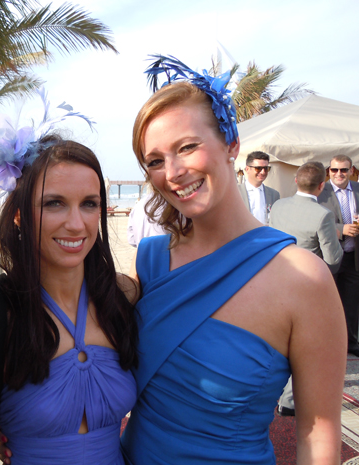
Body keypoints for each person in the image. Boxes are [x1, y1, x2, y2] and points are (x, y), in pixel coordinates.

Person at [120, 55, 346, 464]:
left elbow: (319, 433)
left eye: (187, 147)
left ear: (231, 144)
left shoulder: (303, 279)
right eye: (155, 160)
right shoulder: (149, 263)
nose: (171, 172)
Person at [0, 94, 139, 464]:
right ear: (18, 215)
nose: (76, 223)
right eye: (54, 203)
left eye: (89, 203)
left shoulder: (124, 298)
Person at [269, 161, 343, 416]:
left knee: (277, 341)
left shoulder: (278, 205)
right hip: (304, 288)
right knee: (301, 346)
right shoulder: (323, 215)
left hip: (273, 280)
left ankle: (273, 393)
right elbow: (333, 259)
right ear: (322, 185)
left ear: (296, 182)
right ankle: (289, 402)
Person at [317, 155, 359, 357]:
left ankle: (351, 342)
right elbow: (314, 221)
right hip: (330, 256)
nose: (339, 174)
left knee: (352, 304)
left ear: (351, 170)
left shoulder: (358, 190)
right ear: (329, 171)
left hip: (353, 257)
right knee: (328, 303)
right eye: (334, 170)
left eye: (343, 170)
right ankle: (328, 344)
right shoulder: (319, 192)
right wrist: (342, 229)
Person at [237, 151, 280, 224]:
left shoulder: (274, 194)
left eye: (266, 168)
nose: (263, 172)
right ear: (247, 169)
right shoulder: (235, 192)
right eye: (258, 168)